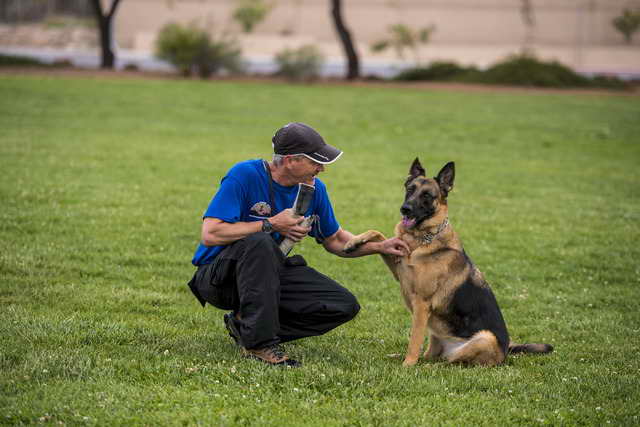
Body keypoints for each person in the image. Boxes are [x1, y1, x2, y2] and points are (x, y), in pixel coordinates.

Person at [188, 122, 409, 367]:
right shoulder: (245, 175)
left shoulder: (314, 190)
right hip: (219, 279)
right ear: (291, 160)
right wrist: (270, 224)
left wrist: (379, 247)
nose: (322, 169)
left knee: (342, 305)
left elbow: (334, 239)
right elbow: (211, 233)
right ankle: (258, 344)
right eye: (316, 162)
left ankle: (247, 326)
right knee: (260, 242)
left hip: (266, 275)